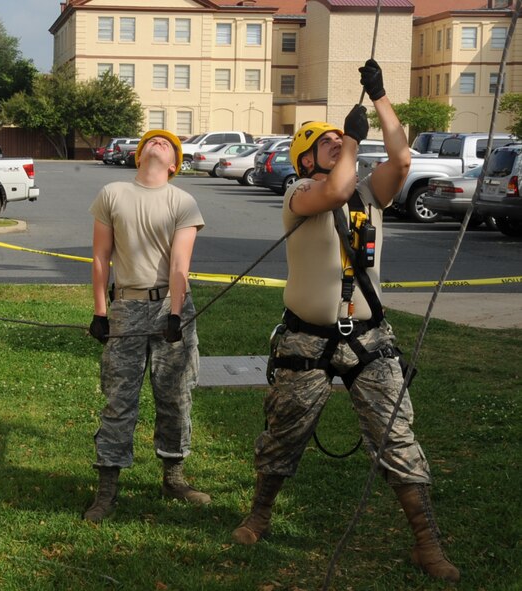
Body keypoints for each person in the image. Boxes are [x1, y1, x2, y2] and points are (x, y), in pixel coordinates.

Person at [231, 60, 460, 583]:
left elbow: (401, 157)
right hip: (305, 339)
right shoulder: (298, 195)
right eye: (326, 141)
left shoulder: (369, 194)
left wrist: (380, 98)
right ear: (304, 157)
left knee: (396, 436)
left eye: (341, 139)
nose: (338, 142)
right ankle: (260, 513)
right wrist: (352, 146)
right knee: (284, 431)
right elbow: (332, 191)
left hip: (371, 339)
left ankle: (427, 543)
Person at [84, 129, 209, 523]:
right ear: (139, 157)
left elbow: (179, 265)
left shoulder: (182, 201)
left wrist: (174, 314)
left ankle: (173, 477)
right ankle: (107, 489)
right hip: (125, 308)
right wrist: (100, 312)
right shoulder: (112, 194)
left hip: (170, 309)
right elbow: (101, 258)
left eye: (166, 144)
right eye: (149, 142)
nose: (156, 143)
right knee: (119, 399)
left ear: (174, 164)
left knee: (175, 395)